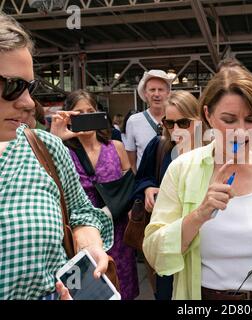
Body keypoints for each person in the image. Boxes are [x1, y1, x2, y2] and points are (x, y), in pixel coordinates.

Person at [143, 66, 252, 300]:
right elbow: (154, 252)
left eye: (250, 120)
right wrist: (200, 214)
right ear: (208, 115)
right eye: (228, 119)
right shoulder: (182, 169)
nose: (240, 131)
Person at [0, 13, 113, 300]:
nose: (27, 103)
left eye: (30, 88)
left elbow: (82, 212)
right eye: (13, 87)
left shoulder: (46, 148)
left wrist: (88, 242)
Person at [50, 89, 140, 300]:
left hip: (117, 231)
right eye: (78, 113)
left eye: (90, 111)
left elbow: (128, 186)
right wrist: (55, 139)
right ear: (68, 116)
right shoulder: (62, 151)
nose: (85, 116)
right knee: (90, 289)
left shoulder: (115, 147)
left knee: (122, 284)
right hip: (79, 234)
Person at [133, 90, 203, 300]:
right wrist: (148, 189)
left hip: (203, 242)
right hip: (169, 238)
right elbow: (142, 178)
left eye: (183, 122)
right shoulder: (160, 146)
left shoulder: (213, 150)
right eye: (169, 123)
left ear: (199, 120)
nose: (176, 130)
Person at [124, 70, 171, 172]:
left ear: (168, 93)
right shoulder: (134, 121)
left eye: (161, 89)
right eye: (152, 90)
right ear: (145, 93)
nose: (156, 94)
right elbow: (131, 160)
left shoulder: (177, 119)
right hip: (146, 184)